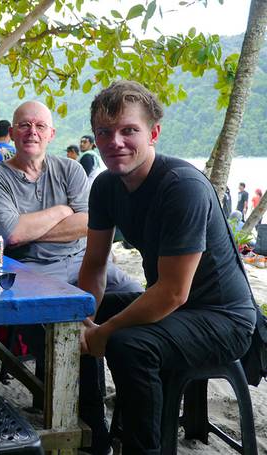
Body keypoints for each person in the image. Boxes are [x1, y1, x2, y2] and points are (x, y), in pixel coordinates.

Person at [78, 80, 256, 454]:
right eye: (104, 133)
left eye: (129, 131)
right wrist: (85, 320)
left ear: (154, 133)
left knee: (128, 344)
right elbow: (94, 265)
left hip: (223, 317)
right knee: (68, 321)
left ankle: (143, 449)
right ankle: (93, 432)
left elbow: (174, 291)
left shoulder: (181, 186)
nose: (116, 142)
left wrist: (105, 330)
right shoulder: (106, 187)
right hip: (174, 306)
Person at [0, 100, 142, 454]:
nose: (32, 132)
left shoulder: (70, 170)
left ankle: (131, 407)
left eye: (40, 126)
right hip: (31, 270)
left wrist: (31, 227)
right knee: (74, 320)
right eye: (24, 125)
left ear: (51, 134)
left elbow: (90, 225)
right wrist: (62, 210)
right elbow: (10, 235)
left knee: (136, 295)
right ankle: (92, 421)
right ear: (12, 133)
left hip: (82, 260)